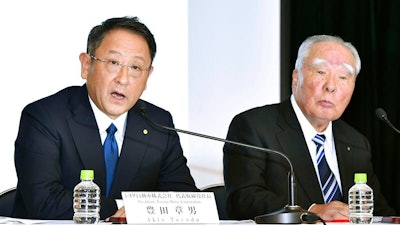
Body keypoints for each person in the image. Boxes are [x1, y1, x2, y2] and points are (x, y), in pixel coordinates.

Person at [12, 16, 198, 220]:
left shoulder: (158, 123)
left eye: (135, 68)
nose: (123, 79)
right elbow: (43, 202)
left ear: (148, 76)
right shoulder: (45, 117)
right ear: (86, 65)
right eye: (113, 62)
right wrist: (128, 208)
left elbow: (185, 199)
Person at [223, 35, 395, 220]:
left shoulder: (356, 142)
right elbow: (243, 200)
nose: (331, 86)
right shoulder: (254, 127)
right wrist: (310, 211)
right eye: (321, 72)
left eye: (343, 77)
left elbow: (377, 212)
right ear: (296, 78)